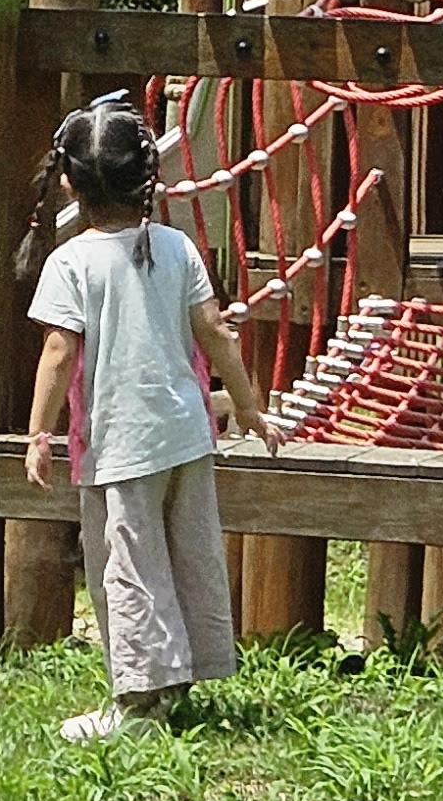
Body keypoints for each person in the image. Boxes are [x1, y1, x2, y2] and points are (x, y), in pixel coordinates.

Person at [21, 96, 277, 741]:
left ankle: (138, 703)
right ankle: (180, 678)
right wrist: (248, 405)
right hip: (187, 435)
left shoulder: (70, 262)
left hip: (122, 446)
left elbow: (59, 352)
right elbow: (214, 332)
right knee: (189, 553)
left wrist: (38, 432)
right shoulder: (177, 246)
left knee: (128, 566)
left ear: (69, 182)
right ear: (146, 177)